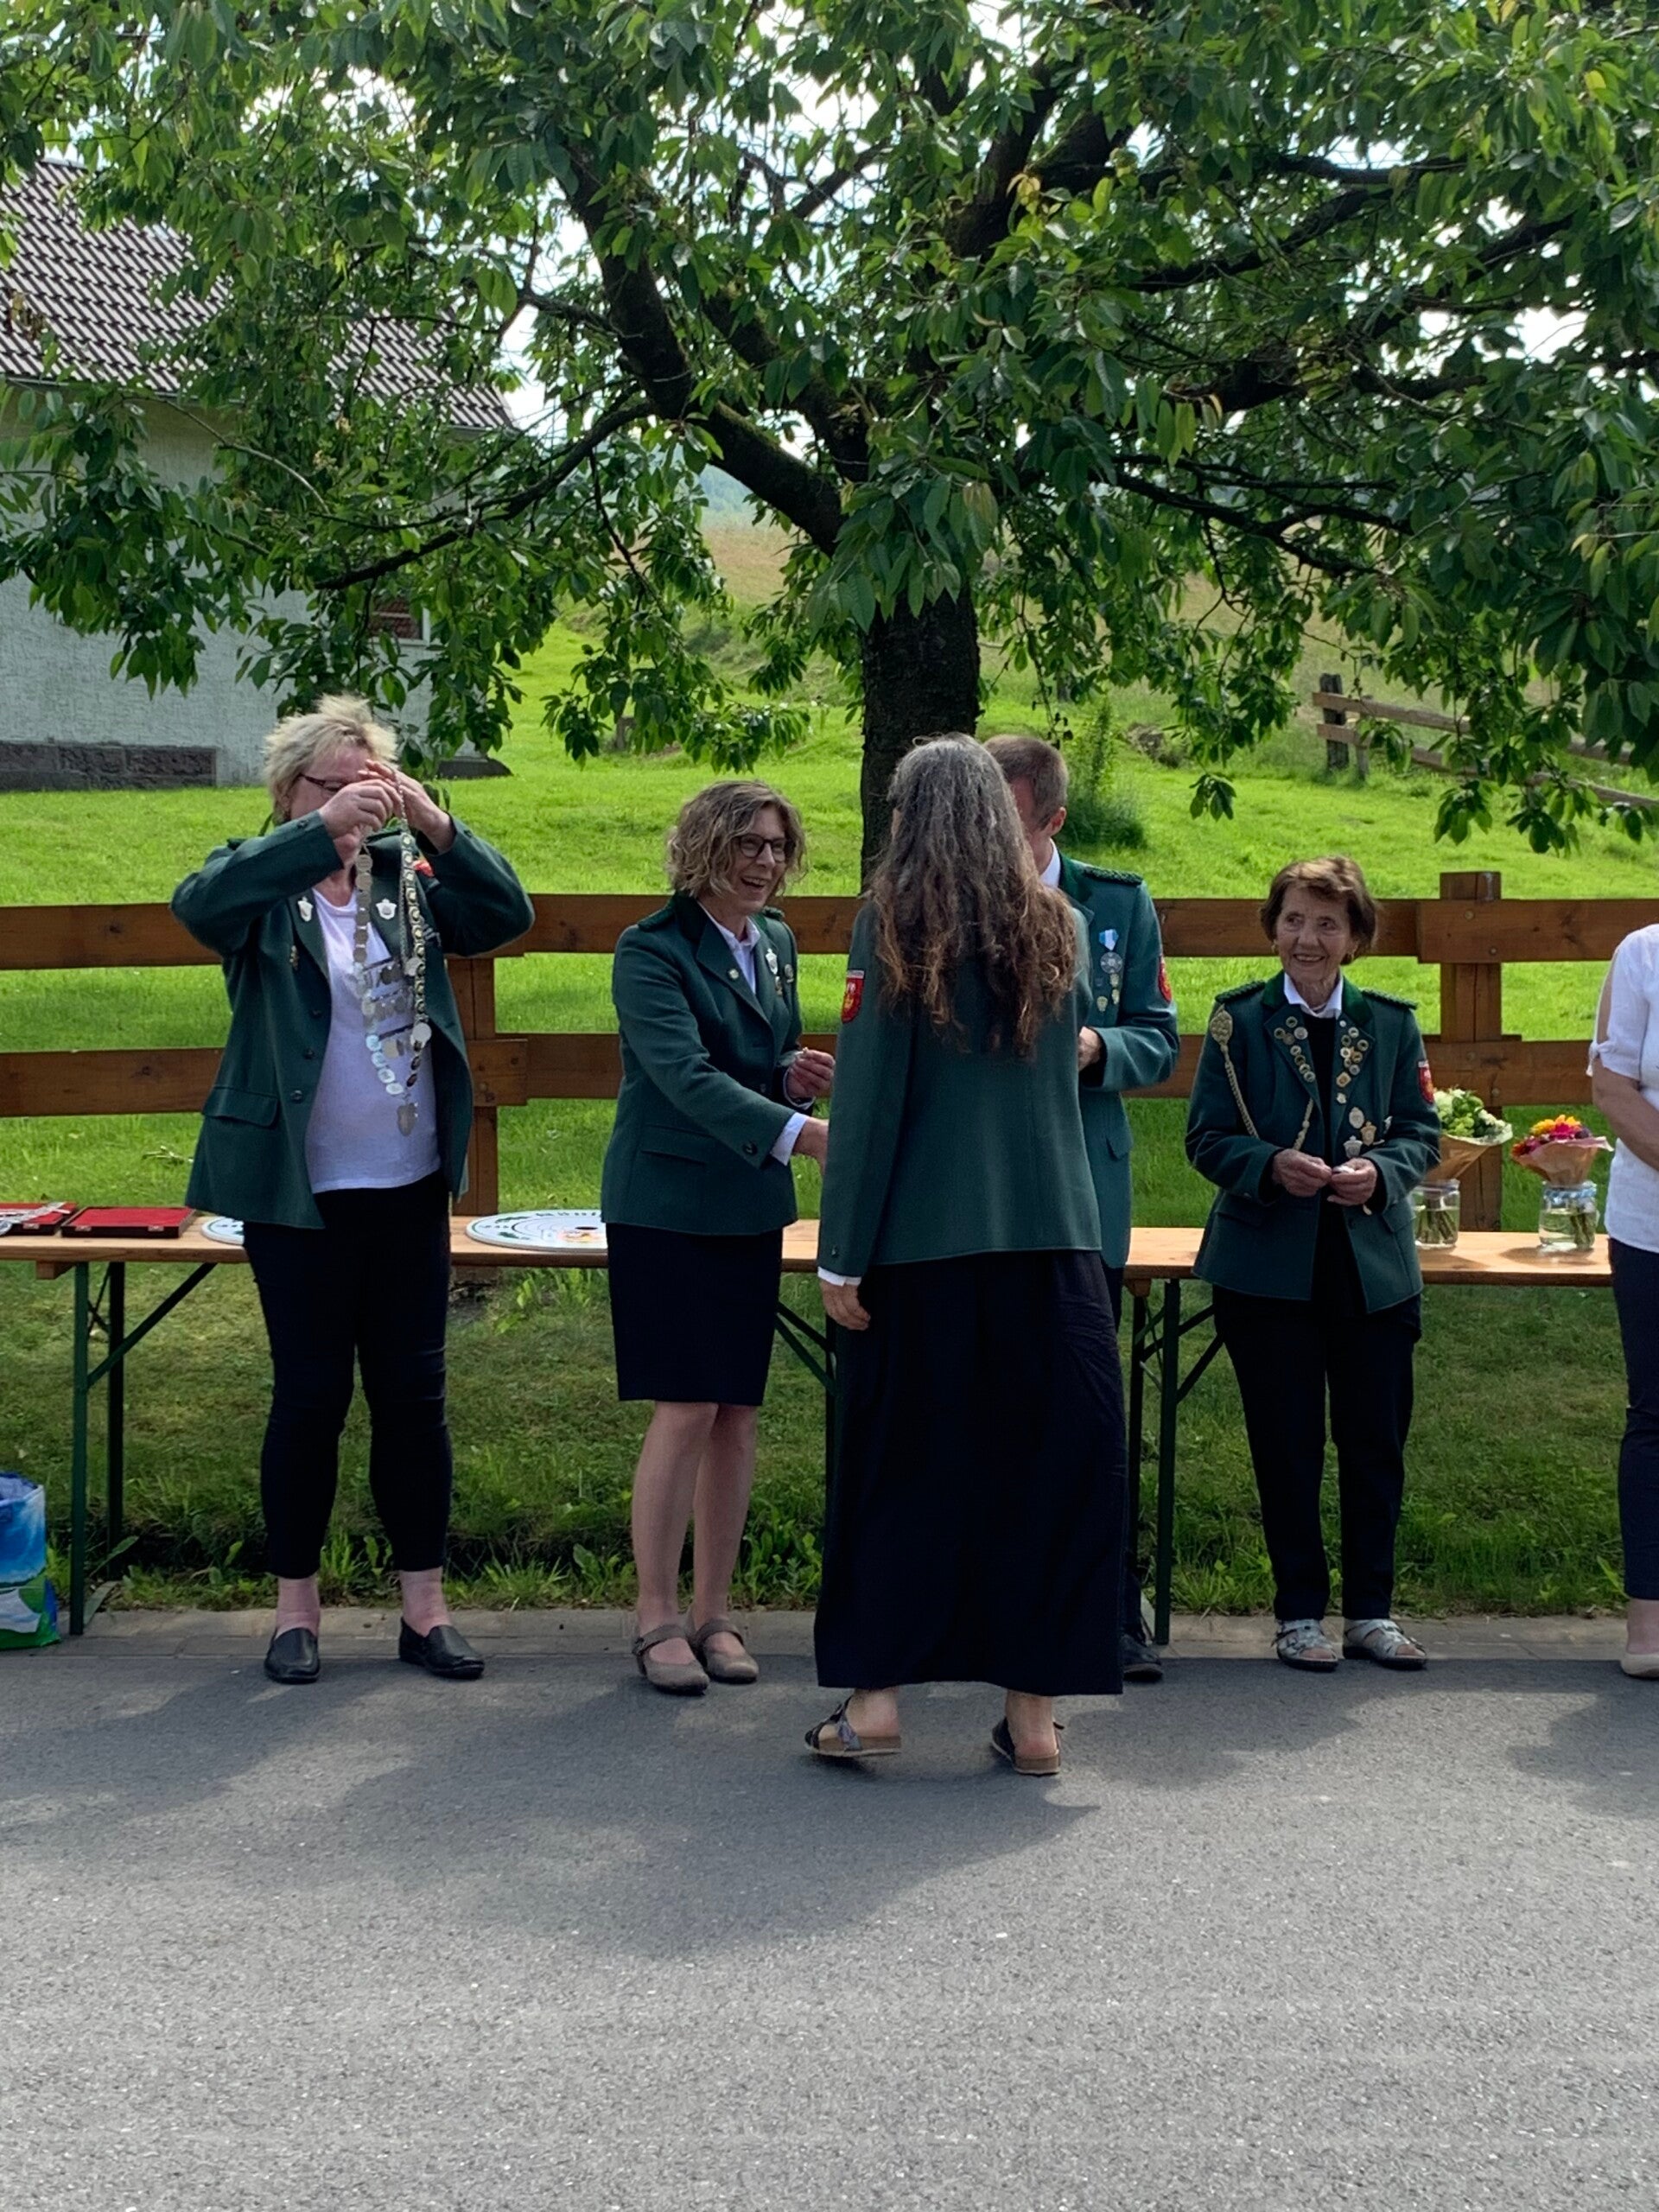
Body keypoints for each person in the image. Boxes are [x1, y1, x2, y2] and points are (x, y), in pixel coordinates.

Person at [173, 695, 535, 1686]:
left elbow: (506, 914)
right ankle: (297, 1612)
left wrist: (435, 822)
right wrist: (314, 837)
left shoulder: (402, 879)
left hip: (406, 1186)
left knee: (415, 1398)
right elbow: (198, 907)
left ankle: (426, 1609)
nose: (356, 802)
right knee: (310, 1396)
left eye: (369, 783)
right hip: (300, 1194)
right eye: (334, 785)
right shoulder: (261, 883)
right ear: (290, 790)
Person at [810, 735, 1125, 1776]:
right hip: (1056, 1242)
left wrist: (841, 1253)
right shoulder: (1059, 923)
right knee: (1044, 1479)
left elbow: (869, 1104)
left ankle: (875, 1702)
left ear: (912, 817)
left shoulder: (893, 924)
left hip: (923, 1248)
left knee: (900, 1475)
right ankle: (1033, 1721)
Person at [601, 781, 833, 1695]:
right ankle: (655, 1617)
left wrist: (791, 1078)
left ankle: (715, 1613)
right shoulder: (649, 949)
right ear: (704, 848)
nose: (765, 862)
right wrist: (806, 1134)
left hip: (747, 1205)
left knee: (737, 1410)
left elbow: (755, 1065)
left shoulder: (774, 941)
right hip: (665, 1205)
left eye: (777, 846)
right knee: (687, 1405)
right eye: (747, 844)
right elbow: (685, 1077)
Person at [1185, 855, 1440, 1672]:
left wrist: (1381, 1173)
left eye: (1328, 924)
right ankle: (1298, 1614)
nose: (1308, 938)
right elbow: (1205, 1138)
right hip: (1268, 1273)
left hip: (1372, 1272)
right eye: (1294, 920)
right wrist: (1267, 1165)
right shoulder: (1238, 1023)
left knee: (1374, 1447)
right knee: (1286, 1448)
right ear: (1273, 928)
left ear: (1355, 938)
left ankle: (1371, 1612)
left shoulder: (1391, 1024)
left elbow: (1421, 1132)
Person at [986, 734, 1179, 1681]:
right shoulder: (955, 898)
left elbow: (1161, 1037)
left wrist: (1099, 1048)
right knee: (984, 1413)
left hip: (1083, 1194)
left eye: (1008, 821)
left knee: (1089, 1417)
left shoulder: (1117, 904)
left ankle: (1107, 1612)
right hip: (981, 1201)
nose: (987, 837)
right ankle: (991, 1610)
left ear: (1054, 820)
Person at [1589, 923, 1659, 1678]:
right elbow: (1612, 1087)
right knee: (1657, 1417)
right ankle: (1650, 1626)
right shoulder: (1642, 955)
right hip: (1652, 1230)